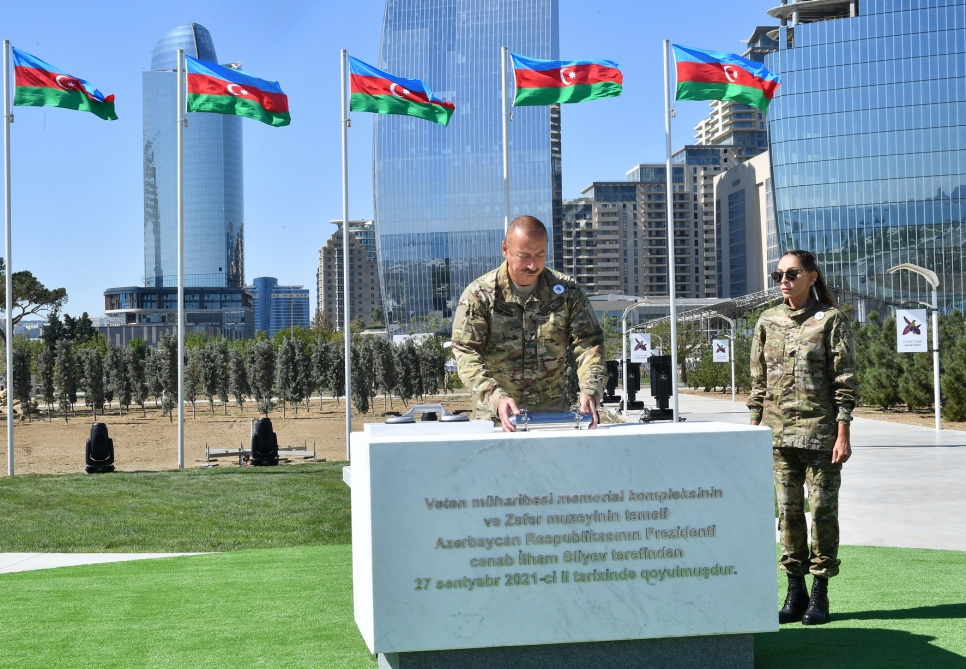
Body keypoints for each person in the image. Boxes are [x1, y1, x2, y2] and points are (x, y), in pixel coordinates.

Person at [748, 249, 857, 626]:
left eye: (792, 273)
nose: (783, 280)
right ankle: (795, 592)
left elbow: (844, 382)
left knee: (823, 513)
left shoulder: (830, 320)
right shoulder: (767, 320)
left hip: (821, 435)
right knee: (789, 516)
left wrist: (843, 431)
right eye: (778, 274)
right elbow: (758, 381)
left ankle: (820, 594)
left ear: (812, 276)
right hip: (778, 437)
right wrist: (754, 426)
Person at [452, 215, 605, 432]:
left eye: (540, 255)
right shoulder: (480, 295)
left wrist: (591, 390)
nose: (533, 265)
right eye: (524, 256)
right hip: (496, 417)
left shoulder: (567, 292)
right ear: (505, 249)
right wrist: (495, 397)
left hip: (552, 417)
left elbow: (589, 343)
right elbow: (466, 352)